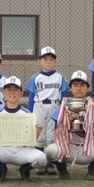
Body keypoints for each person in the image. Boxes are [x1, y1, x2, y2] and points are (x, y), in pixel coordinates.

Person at [45, 71, 94, 180]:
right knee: (50, 150)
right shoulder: (63, 107)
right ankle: (62, 169)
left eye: (82, 85)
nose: (79, 88)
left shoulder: (93, 108)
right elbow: (57, 131)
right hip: (67, 147)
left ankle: (93, 169)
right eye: (75, 85)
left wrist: (87, 133)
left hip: (87, 148)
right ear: (70, 88)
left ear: (88, 88)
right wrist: (69, 123)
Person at [0, 76, 47, 182]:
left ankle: (25, 169)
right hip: (2, 150)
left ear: (21, 93)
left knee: (41, 158)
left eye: (16, 90)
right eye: (9, 90)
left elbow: (31, 139)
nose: (12, 93)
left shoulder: (26, 113)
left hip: (20, 150)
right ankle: (1, 169)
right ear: (4, 92)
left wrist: (37, 132)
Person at [26, 46, 68, 175]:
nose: (48, 62)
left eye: (51, 59)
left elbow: (64, 96)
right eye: (45, 59)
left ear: (55, 62)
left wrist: (62, 112)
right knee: (40, 134)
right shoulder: (35, 77)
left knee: (51, 135)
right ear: (39, 61)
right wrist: (30, 114)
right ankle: (40, 164)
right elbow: (31, 97)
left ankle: (50, 163)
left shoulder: (60, 77)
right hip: (39, 105)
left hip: (54, 106)